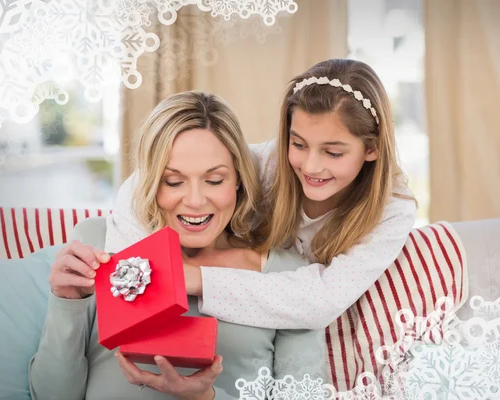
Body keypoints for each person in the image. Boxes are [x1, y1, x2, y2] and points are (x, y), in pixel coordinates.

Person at [28, 92, 326, 400]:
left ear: (239, 178)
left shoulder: (289, 274)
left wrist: (204, 397)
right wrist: (67, 304)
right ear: (150, 182)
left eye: (214, 180)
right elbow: (50, 395)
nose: (195, 201)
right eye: (173, 182)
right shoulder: (98, 243)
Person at [106, 58, 417, 331]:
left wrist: (197, 278)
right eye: (298, 144)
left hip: (309, 329)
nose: (310, 165)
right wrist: (135, 268)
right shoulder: (267, 164)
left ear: (373, 148)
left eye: (333, 153)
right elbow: (142, 183)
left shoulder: (392, 208)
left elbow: (324, 299)